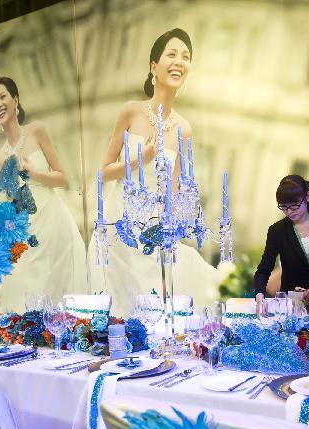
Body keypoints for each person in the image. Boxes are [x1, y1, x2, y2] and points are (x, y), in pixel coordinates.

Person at [87, 28, 221, 317]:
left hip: (151, 232)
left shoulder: (184, 129)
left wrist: (175, 223)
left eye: (185, 57)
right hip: (118, 227)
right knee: (119, 313)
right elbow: (103, 173)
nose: (179, 61)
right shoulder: (130, 111)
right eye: (171, 54)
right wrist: (140, 159)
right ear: (154, 67)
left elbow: (173, 192)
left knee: (177, 298)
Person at [0, 76, 87, 312]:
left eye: (3, 97)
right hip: (27, 225)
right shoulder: (1, 158)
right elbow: (9, 201)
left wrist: (34, 173)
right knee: (28, 285)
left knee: (57, 288)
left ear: (16, 100)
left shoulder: (36, 131)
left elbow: (62, 177)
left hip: (53, 220)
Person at [254, 175, 309, 311]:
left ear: (307, 197)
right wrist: (260, 298)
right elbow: (264, 269)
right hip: (291, 302)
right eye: (284, 207)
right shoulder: (277, 230)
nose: (289, 212)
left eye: (295, 206)